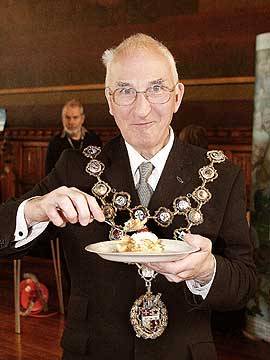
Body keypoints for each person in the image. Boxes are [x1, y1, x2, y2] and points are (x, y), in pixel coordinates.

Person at [0, 34, 256, 360]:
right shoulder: (75, 169)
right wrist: (33, 210)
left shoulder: (222, 176)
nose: (142, 107)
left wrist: (207, 270)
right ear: (109, 101)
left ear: (177, 96)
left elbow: (246, 284)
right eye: (125, 91)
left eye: (156, 88)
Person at [45, 99, 102, 175]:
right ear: (62, 118)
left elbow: (100, 167)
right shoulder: (55, 142)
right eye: (67, 117)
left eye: (75, 117)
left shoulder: (94, 139)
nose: (71, 122)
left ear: (82, 119)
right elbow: (50, 173)